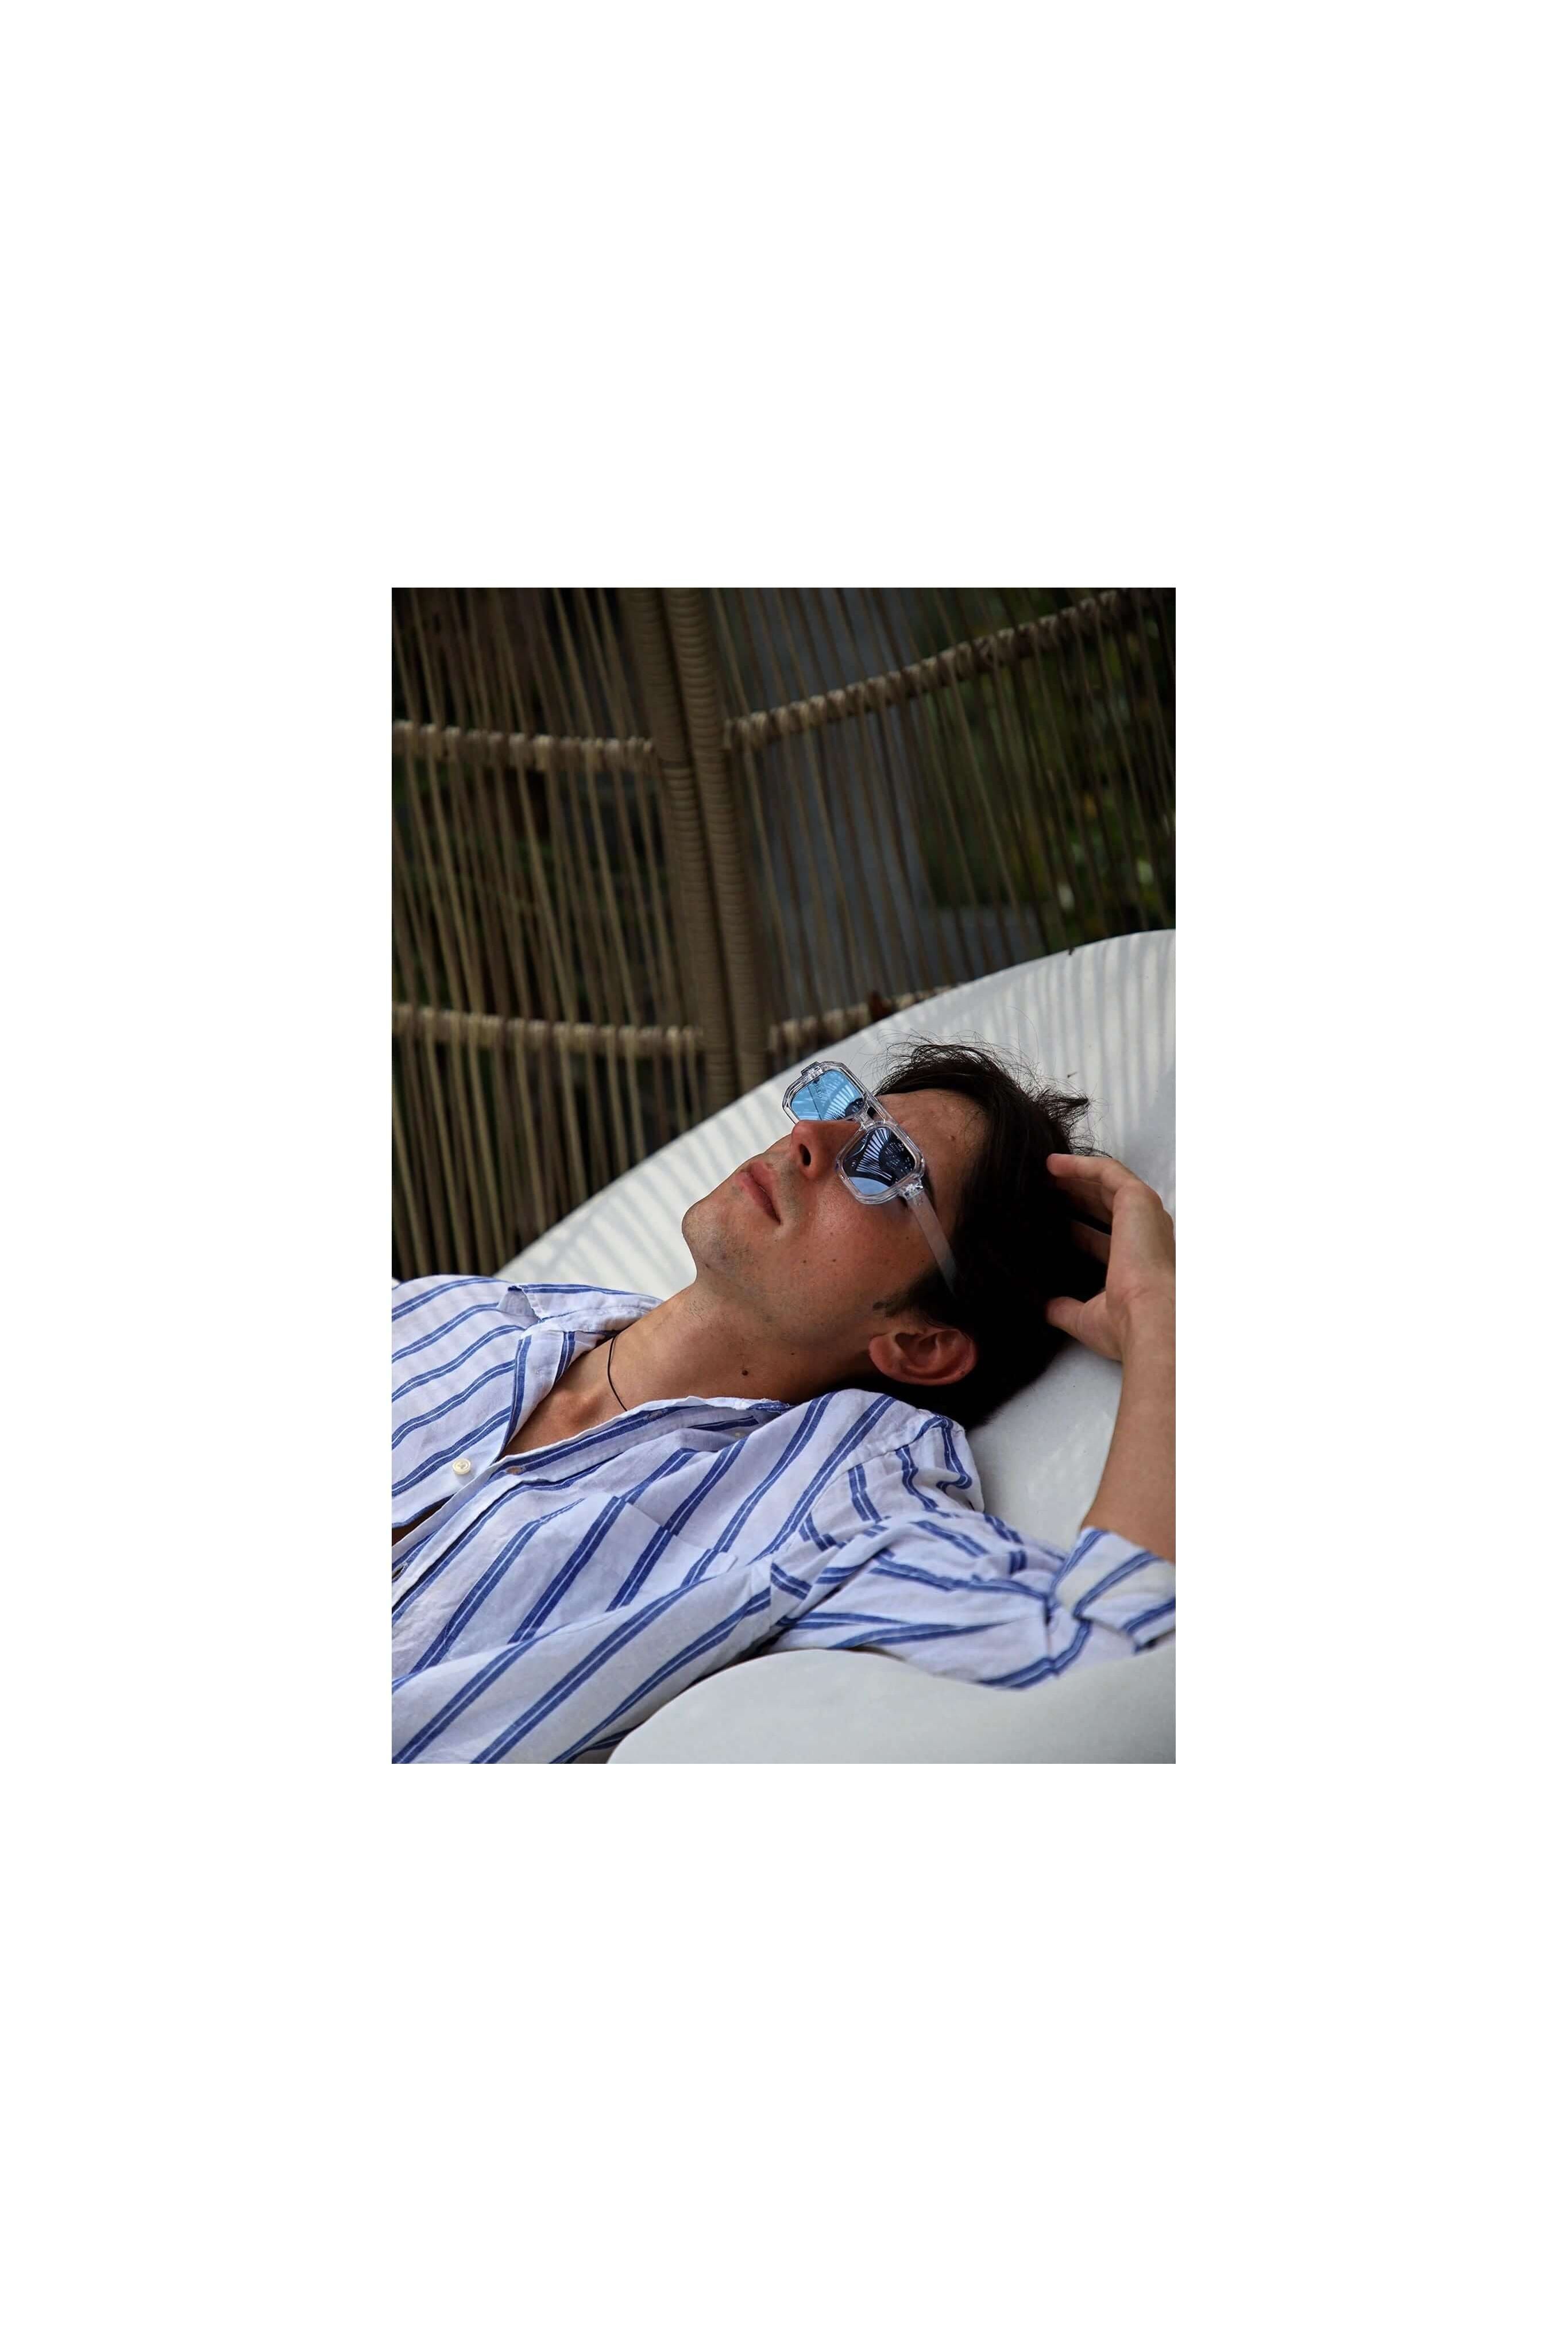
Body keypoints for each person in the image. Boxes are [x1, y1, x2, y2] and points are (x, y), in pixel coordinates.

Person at [392, 1041, 1175, 1763]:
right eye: (845, 1109)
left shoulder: (837, 1498)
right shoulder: (449, 1315)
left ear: (921, 1344)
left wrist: (1160, 1321)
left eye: (884, 1164)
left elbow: (1110, 1668)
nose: (810, 1138)